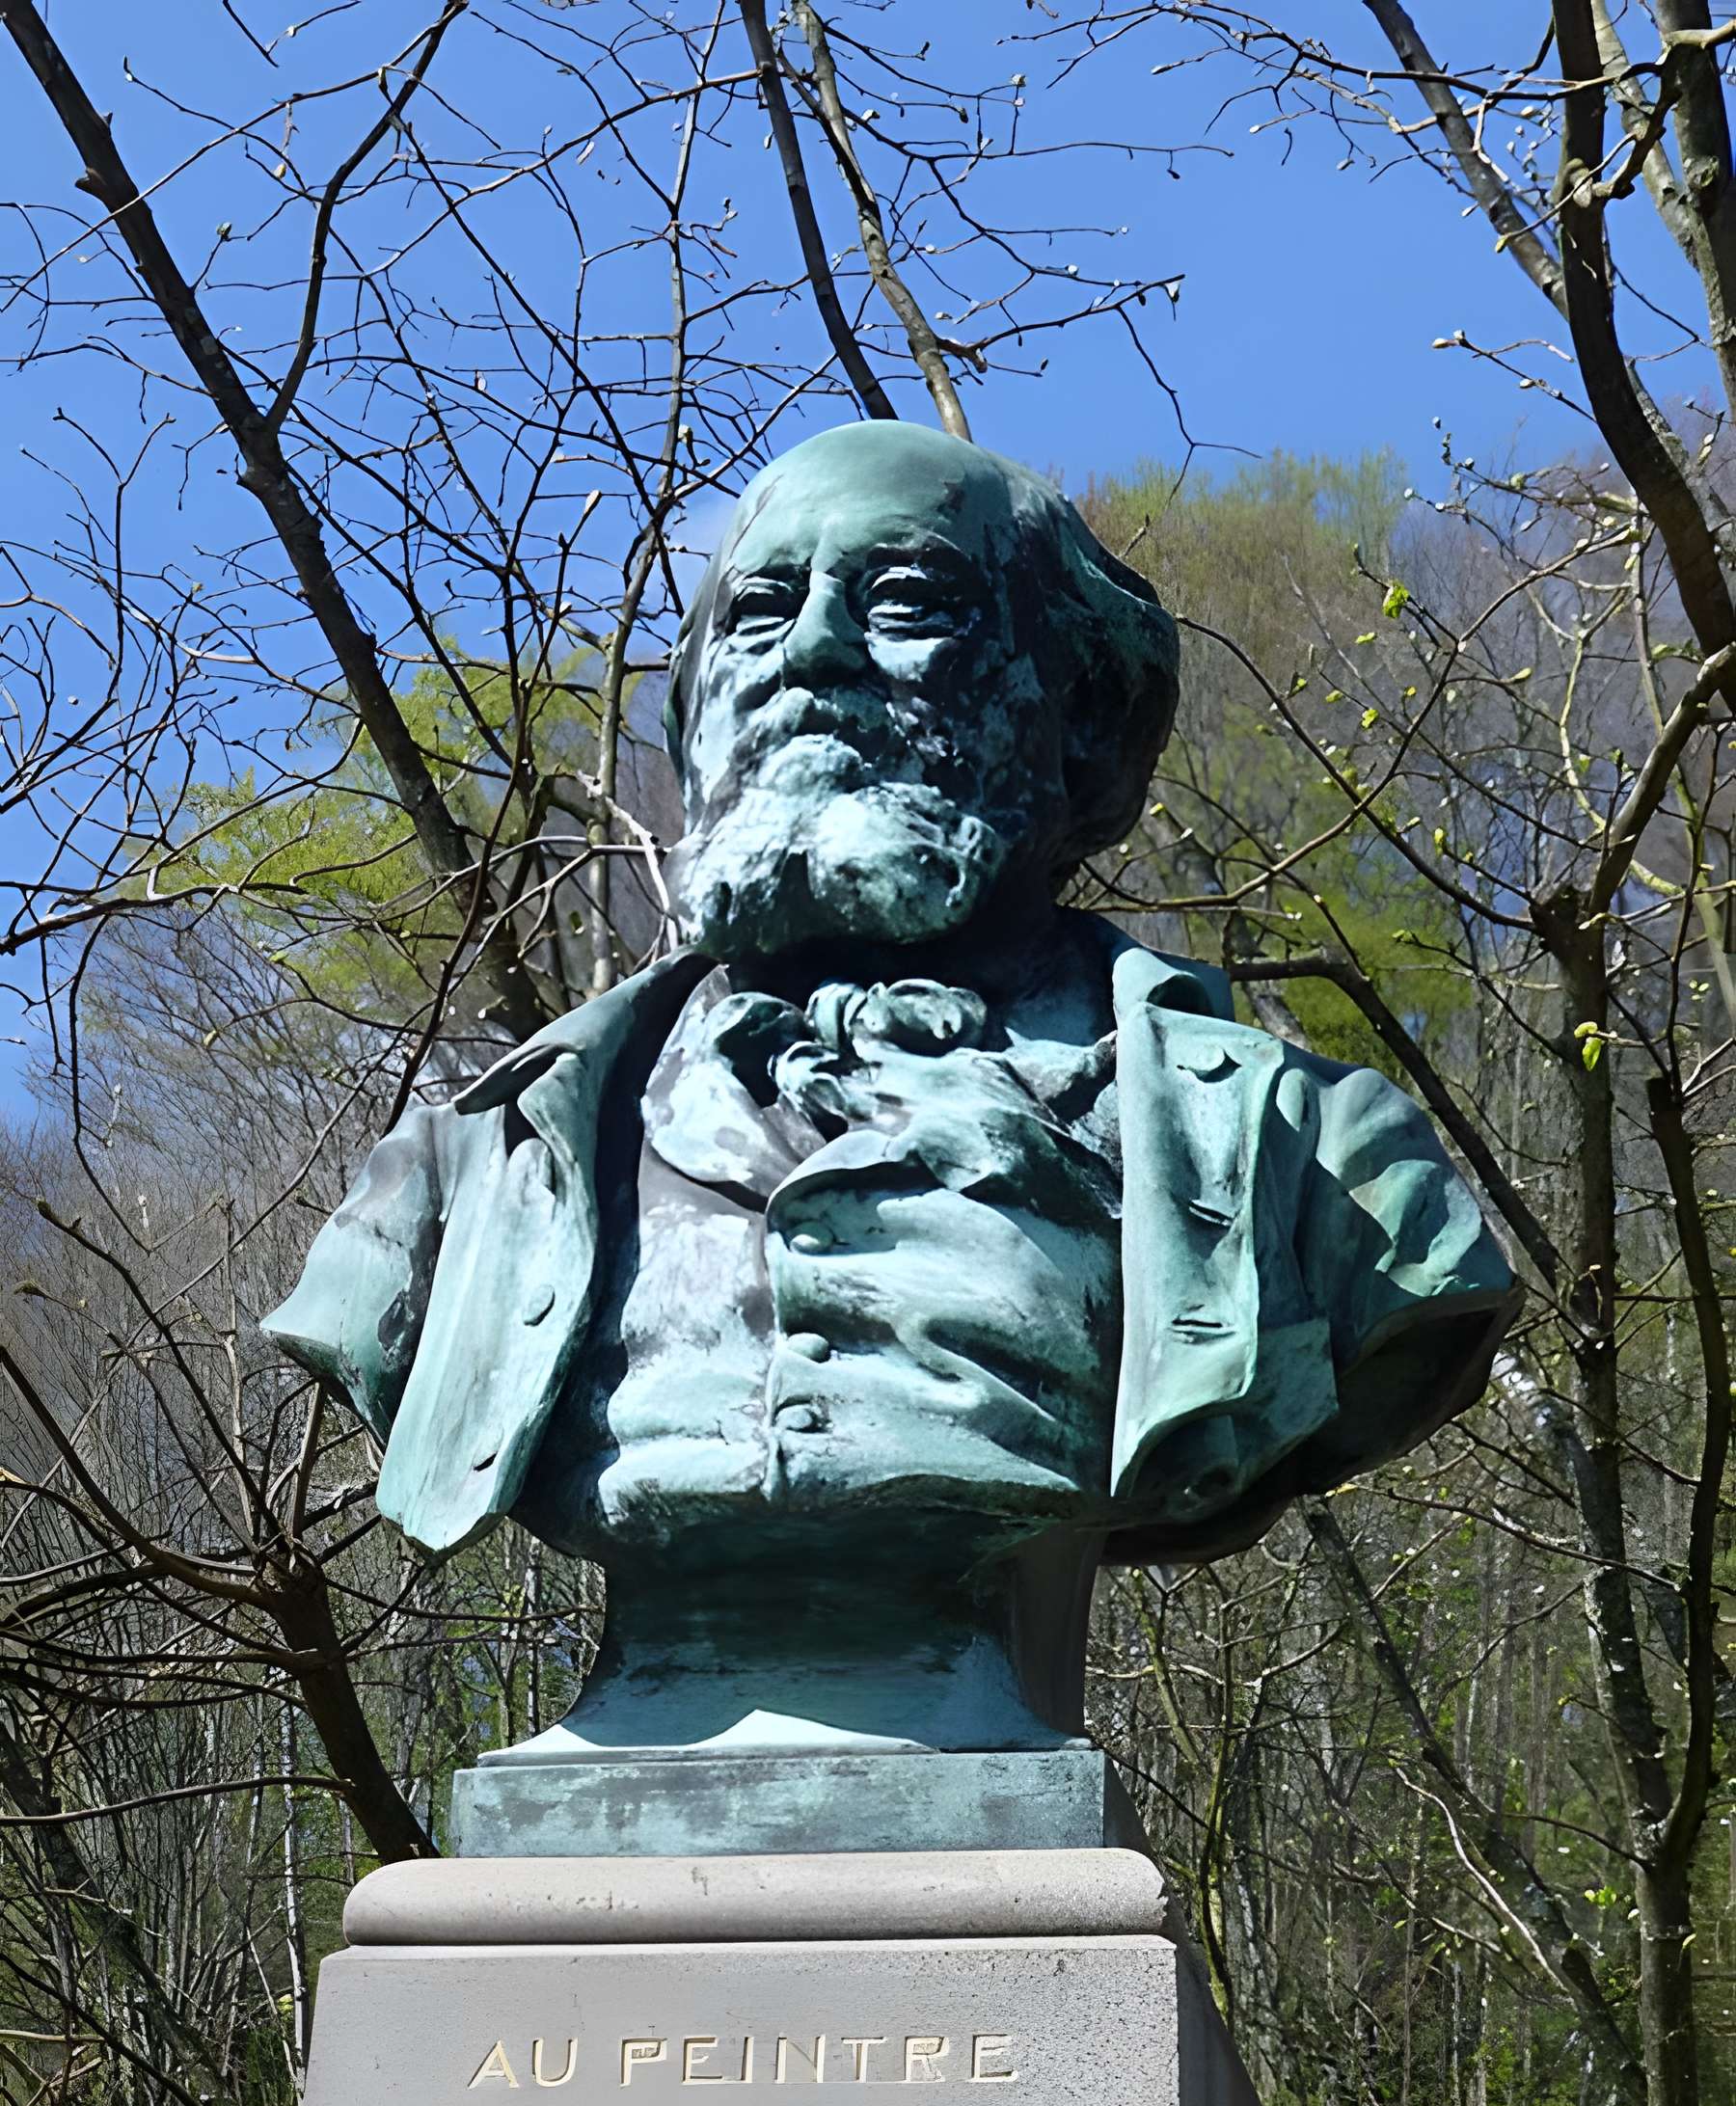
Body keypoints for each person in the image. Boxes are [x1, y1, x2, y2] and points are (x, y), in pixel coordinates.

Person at [264, 421, 1517, 1748]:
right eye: (758, 612)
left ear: (1081, 713)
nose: (809, 653)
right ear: (694, 718)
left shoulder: (1318, 1163)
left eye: (908, 603)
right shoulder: (464, 1171)